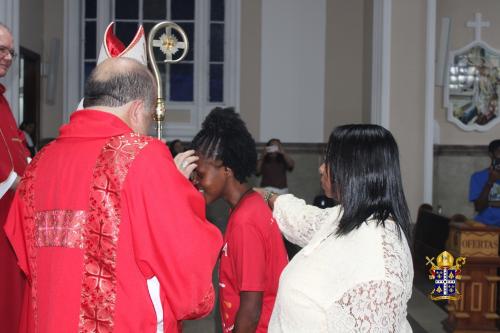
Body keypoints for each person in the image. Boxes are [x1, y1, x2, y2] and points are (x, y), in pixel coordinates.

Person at [4, 58, 222, 332]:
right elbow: (182, 256)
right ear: (138, 108)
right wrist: (178, 192)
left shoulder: (39, 162)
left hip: (48, 320)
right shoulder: (142, 155)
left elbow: (23, 252)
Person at [256, 124, 414, 332]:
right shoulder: (348, 216)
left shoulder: (379, 266)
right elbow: (304, 218)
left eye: (330, 161)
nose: (321, 168)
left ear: (356, 170)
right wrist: (266, 196)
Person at [187, 107, 288, 333]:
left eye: (201, 174)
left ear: (227, 169)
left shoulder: (246, 221)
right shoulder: (247, 206)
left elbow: (251, 310)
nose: (197, 183)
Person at [0, 23, 31, 333]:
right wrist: (17, 181)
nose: (8, 57)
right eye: (1, 50)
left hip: (13, 215)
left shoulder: (3, 101)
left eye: (10, 51)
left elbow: (16, 152)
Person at [469, 139, 500, 226]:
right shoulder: (478, 177)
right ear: (491, 154)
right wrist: (490, 182)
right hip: (485, 227)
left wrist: (490, 203)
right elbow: (479, 207)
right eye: (499, 153)